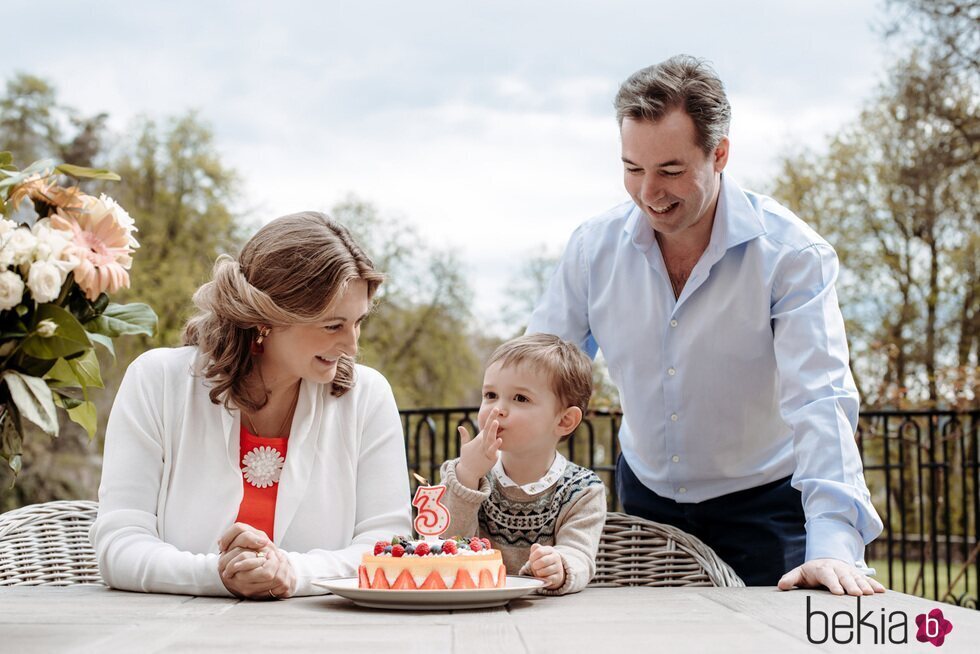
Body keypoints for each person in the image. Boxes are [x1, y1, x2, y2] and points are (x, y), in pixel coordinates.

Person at [526, 55, 885, 595]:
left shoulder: (791, 256)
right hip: (645, 504)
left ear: (719, 154)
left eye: (671, 171)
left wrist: (833, 544)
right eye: (632, 168)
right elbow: (535, 377)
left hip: (765, 509)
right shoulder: (591, 250)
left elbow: (821, 399)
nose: (650, 192)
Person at [91, 212, 412, 599]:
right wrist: (218, 575)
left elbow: (386, 547)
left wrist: (291, 573)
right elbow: (119, 545)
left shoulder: (369, 397)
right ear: (267, 319)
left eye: (357, 322)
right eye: (333, 326)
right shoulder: (155, 381)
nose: (351, 346)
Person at [438, 334, 606, 595]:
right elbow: (445, 549)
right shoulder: (461, 473)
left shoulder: (583, 490)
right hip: (466, 611)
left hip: (545, 619)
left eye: (520, 398)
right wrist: (468, 477)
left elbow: (580, 554)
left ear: (564, 421)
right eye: (490, 395)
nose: (499, 409)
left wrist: (560, 565)